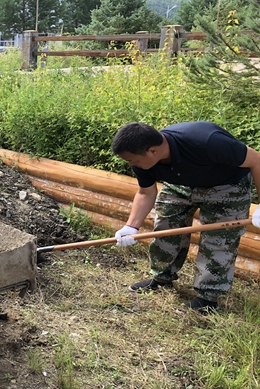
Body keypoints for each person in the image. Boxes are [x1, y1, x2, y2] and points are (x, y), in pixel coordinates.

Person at [111, 121, 260, 313]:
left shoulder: (208, 142)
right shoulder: (142, 157)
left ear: (153, 151)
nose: (131, 164)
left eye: (133, 160)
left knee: (218, 240)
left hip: (226, 186)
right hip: (179, 183)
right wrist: (131, 226)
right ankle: (162, 278)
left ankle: (208, 298)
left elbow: (256, 160)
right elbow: (145, 192)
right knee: (165, 227)